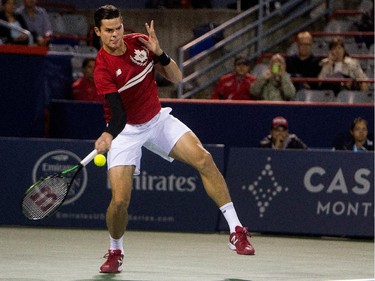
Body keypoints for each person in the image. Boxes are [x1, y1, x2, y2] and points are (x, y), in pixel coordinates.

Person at [92, 5, 255, 274]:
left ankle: (236, 230)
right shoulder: (102, 68)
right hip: (125, 131)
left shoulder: (139, 44)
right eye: (109, 30)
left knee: (204, 158)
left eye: (119, 27)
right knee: (120, 201)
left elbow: (177, 78)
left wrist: (160, 54)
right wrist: (109, 133)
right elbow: (118, 114)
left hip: (157, 120)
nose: (115, 34)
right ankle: (115, 250)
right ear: (98, 31)